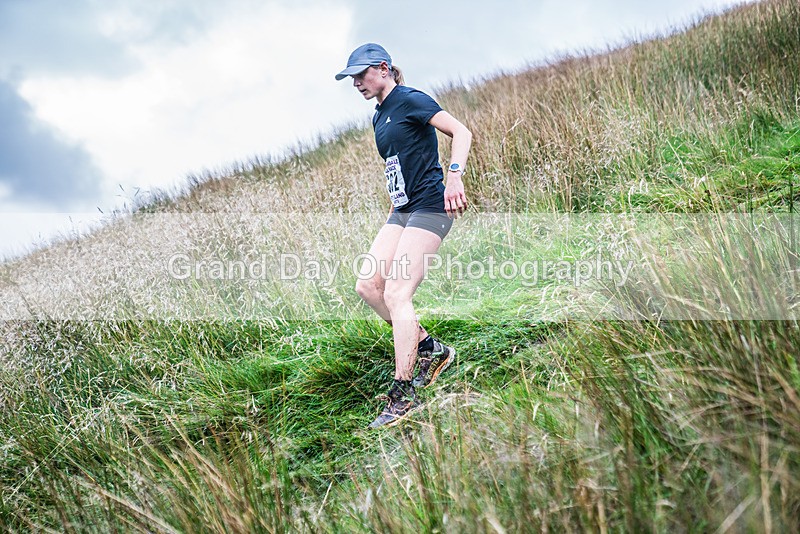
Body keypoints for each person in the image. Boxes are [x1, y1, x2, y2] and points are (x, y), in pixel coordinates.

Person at [335, 43, 472, 428]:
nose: (357, 83)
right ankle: (430, 348)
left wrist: (454, 176)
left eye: (362, 75)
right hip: (402, 210)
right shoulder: (379, 116)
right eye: (352, 79)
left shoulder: (410, 99)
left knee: (397, 292)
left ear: (383, 68)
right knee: (368, 286)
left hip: (430, 205)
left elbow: (460, 131)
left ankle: (403, 391)